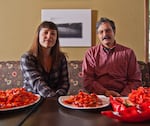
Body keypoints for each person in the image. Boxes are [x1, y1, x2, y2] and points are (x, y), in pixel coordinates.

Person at [82, 17, 142, 97]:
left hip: (123, 96)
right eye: (101, 32)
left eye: (108, 30)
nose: (105, 34)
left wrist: (122, 96)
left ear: (114, 31)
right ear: (98, 35)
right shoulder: (91, 53)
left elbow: (135, 80)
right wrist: (105, 92)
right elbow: (87, 80)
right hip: (98, 96)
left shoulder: (128, 53)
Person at [20, 21, 70, 98]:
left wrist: (59, 97)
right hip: (32, 99)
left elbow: (64, 83)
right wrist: (53, 97)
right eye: (45, 32)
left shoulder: (61, 58)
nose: (49, 36)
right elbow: (37, 83)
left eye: (53, 34)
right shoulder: (27, 58)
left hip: (56, 99)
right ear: (38, 36)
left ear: (56, 38)